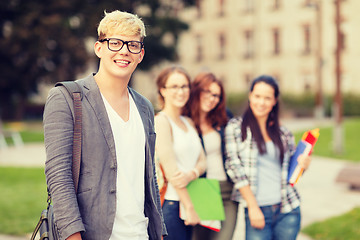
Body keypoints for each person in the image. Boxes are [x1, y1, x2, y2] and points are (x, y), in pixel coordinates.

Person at [43, 10, 166, 240]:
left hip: (140, 234)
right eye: (115, 42)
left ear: (140, 55)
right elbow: (58, 175)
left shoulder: (145, 107)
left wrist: (158, 232)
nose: (124, 51)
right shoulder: (67, 97)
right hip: (93, 234)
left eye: (132, 45)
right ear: (99, 48)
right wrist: (73, 236)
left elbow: (149, 177)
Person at [224, 75, 312, 240]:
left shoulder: (283, 133)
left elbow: (291, 172)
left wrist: (303, 165)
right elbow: (233, 167)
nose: (261, 102)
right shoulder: (236, 128)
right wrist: (252, 206)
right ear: (250, 96)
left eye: (267, 98)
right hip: (258, 209)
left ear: (274, 101)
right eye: (257, 96)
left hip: (288, 209)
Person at [183, 72, 238, 240]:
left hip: (227, 190)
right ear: (197, 91)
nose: (212, 98)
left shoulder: (223, 117)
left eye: (216, 95)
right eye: (207, 92)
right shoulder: (184, 121)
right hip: (201, 190)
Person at [154, 65, 206, 240]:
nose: (181, 91)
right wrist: (189, 207)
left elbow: (202, 161)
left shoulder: (189, 122)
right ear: (163, 90)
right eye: (174, 87)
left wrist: (191, 174)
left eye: (184, 86)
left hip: (193, 199)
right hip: (173, 204)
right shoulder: (161, 121)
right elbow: (172, 172)